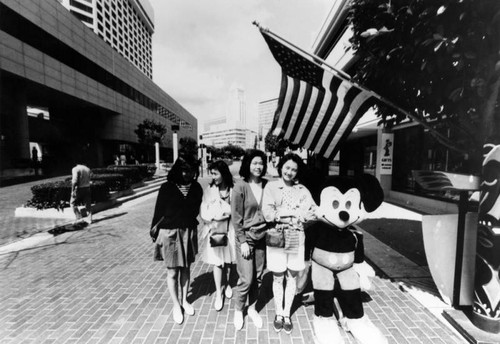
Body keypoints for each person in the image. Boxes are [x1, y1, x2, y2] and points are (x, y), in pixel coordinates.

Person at [262, 153, 317, 334]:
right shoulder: (271, 187)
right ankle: (278, 312)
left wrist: (289, 214)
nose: (290, 172)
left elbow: (313, 211)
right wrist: (292, 214)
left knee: (291, 275)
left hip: (295, 236)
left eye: (294, 169)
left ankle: (286, 314)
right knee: (278, 276)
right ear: (281, 167)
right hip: (277, 235)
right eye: (287, 167)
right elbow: (268, 213)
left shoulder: (302, 190)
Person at [151, 155, 203, 325]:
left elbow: (195, 210)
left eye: (191, 170)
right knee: (173, 271)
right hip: (170, 232)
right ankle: (175, 305)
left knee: (186, 268)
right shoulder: (167, 187)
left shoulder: (196, 187)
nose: (188, 174)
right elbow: (159, 211)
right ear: (178, 169)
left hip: (188, 231)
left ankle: (184, 300)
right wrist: (155, 231)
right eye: (185, 170)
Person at [231, 149, 269, 330]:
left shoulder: (267, 185)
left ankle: (252, 308)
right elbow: (236, 217)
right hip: (246, 238)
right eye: (254, 163)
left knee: (259, 277)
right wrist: (243, 240)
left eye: (261, 163)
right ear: (247, 164)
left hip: (263, 237)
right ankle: (239, 309)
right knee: (246, 278)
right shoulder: (240, 186)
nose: (258, 167)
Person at [199, 160, 236, 311]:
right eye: (211, 173)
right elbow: (204, 212)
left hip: (231, 229)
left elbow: (237, 209)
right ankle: (218, 293)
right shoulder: (209, 189)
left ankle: (227, 284)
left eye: (215, 173)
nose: (213, 176)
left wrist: (226, 211)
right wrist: (217, 215)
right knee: (217, 262)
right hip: (215, 230)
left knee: (229, 260)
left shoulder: (233, 188)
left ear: (223, 173)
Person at [70, 160, 92, 224]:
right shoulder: (87, 169)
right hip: (87, 188)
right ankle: (89, 219)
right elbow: (90, 177)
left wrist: (72, 190)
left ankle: (79, 218)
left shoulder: (75, 169)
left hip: (79, 189)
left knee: (72, 203)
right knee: (88, 204)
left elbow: (74, 181)